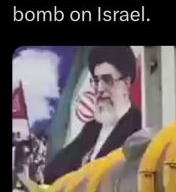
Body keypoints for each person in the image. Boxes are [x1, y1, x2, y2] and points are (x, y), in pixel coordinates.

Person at [44, 46, 141, 183]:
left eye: (107, 80)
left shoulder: (138, 126)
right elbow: (54, 170)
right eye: (96, 80)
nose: (100, 88)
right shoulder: (93, 127)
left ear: (126, 83)